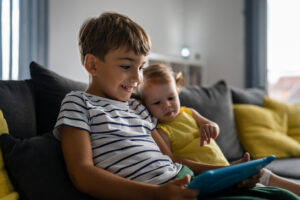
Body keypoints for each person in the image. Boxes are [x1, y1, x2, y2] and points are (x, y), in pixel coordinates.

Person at [53, 12, 300, 199]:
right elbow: (82, 174)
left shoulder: (139, 108)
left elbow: (170, 160)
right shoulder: (78, 103)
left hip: (187, 184)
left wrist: (228, 171)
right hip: (157, 194)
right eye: (127, 66)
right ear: (93, 65)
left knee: (282, 196)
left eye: (141, 68)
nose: (138, 78)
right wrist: (157, 195)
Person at [138, 63, 300, 196]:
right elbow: (173, 160)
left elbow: (214, 128)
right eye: (157, 103)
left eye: (171, 98)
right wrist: (222, 169)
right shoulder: (160, 131)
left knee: (261, 173)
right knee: (257, 181)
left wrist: (209, 127)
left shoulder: (188, 112)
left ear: (178, 91)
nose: (167, 105)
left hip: (224, 167)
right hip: (208, 175)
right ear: (145, 105)